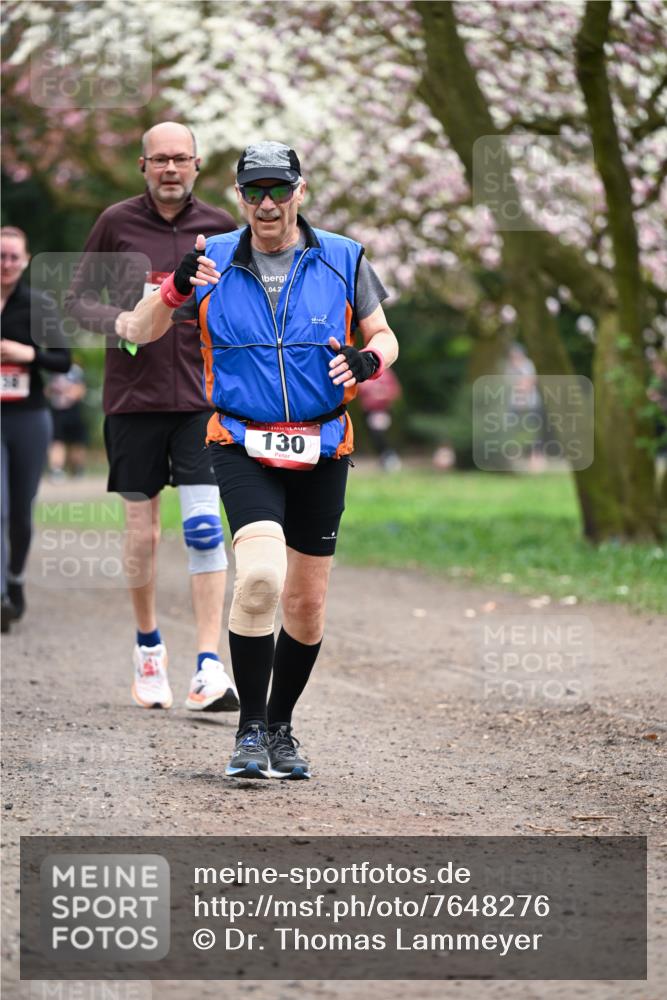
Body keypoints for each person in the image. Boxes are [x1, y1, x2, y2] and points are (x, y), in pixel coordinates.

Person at [122, 140, 399, 779]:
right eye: (255, 191)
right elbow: (136, 333)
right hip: (242, 441)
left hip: (325, 443)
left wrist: (369, 359)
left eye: (279, 189)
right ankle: (247, 733)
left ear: (300, 190)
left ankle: (281, 727)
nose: (267, 204)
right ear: (239, 196)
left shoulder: (343, 257)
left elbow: (383, 334)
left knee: (305, 606)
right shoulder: (209, 261)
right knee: (260, 577)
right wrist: (171, 291)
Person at [65, 122, 240, 713]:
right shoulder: (116, 223)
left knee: (203, 528)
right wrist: (120, 321)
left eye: (181, 159)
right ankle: (149, 648)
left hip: (199, 399)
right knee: (143, 532)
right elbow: (76, 300)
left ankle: (209, 665)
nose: (171, 168)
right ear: (143, 165)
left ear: (197, 165)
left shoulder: (219, 228)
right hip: (133, 400)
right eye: (160, 159)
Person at [1, 226, 71, 632]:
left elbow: (62, 360)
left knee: (20, 511)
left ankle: (15, 579)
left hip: (28, 416)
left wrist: (26, 353)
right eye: (0, 256)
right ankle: (1, 597)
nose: (6, 264)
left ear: (25, 260)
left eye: (13, 256)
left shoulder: (39, 305)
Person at [47, 363, 88, 480]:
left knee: (77, 441)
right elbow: (48, 390)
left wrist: (69, 394)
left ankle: (77, 468)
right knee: (56, 440)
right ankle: (56, 470)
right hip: (57, 410)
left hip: (73, 410)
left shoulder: (76, 370)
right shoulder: (51, 369)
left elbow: (81, 389)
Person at [356, 366, 402, 471]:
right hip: (368, 411)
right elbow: (359, 389)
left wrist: (381, 393)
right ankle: (385, 458)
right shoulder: (366, 371)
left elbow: (395, 391)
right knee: (374, 437)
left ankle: (389, 457)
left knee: (378, 435)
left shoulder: (387, 374)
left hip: (382, 410)